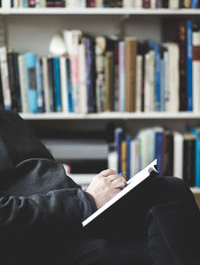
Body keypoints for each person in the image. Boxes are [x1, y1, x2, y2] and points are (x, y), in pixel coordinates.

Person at [0, 110, 200, 265]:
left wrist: (95, 194)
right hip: (40, 243)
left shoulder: (9, 120)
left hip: (74, 218)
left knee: (170, 189)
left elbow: (42, 182)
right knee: (174, 247)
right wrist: (88, 200)